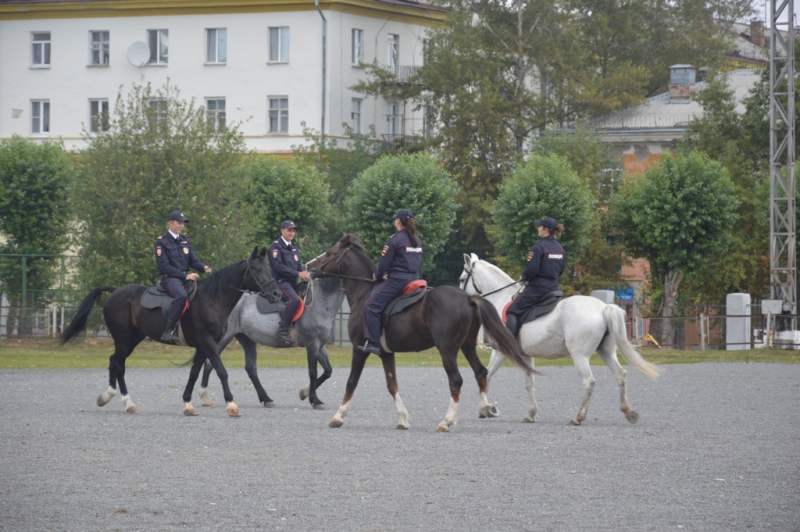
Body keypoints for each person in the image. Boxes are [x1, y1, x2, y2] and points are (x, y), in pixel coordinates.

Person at [361, 208, 423, 355]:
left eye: (396, 219)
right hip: (415, 279)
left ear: (398, 221)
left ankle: (374, 343)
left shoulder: (394, 240)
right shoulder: (417, 240)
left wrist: (378, 275)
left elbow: (384, 262)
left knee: (370, 306)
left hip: (398, 281)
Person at [154, 210, 213, 344]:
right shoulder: (161, 242)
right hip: (170, 278)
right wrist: (184, 276)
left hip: (185, 276)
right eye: (179, 223)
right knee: (181, 296)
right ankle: (169, 330)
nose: (181, 226)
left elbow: (193, 261)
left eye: (183, 223)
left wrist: (204, 267)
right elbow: (164, 266)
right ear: (171, 223)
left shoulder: (185, 241)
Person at [505, 216, 565, 337]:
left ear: (545, 229)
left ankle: (508, 343)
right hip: (553, 287)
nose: (538, 228)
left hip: (538, 288)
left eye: (540, 227)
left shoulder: (538, 247)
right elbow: (561, 270)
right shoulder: (560, 248)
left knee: (512, 311)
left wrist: (523, 276)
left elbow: (532, 269)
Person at [268, 220, 310, 345]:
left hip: (293, 282)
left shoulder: (294, 248)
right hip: (281, 281)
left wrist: (305, 274)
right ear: (282, 231)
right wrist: (298, 274)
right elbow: (278, 267)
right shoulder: (276, 247)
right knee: (294, 300)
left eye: (293, 231)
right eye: (289, 230)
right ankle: (282, 330)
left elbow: (298, 266)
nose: (291, 233)